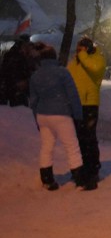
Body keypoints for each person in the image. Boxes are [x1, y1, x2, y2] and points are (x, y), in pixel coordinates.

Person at [28, 44, 96, 191]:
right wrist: (78, 116)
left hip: (42, 115)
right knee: (72, 146)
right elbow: (73, 96)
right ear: (54, 56)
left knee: (46, 147)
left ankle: (47, 179)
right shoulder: (62, 73)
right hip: (61, 114)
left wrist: (37, 120)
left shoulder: (36, 75)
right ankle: (81, 180)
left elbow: (33, 101)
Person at [67, 36, 107, 185]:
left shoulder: (97, 59)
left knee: (89, 138)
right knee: (79, 138)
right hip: (76, 103)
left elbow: (95, 69)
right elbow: (68, 75)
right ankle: (81, 168)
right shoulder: (76, 62)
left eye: (81, 49)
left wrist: (82, 55)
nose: (79, 52)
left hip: (90, 102)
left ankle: (93, 169)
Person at [1, 34, 37, 106]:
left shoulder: (15, 54)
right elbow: (11, 71)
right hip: (15, 87)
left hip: (15, 87)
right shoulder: (15, 56)